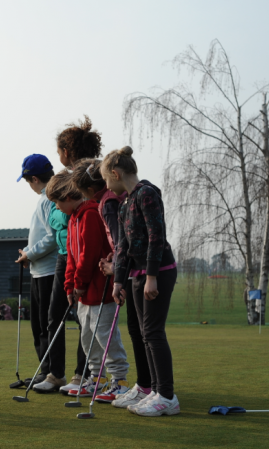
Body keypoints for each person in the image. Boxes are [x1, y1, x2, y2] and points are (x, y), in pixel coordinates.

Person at [72, 158, 152, 406]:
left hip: (125, 276)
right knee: (135, 333)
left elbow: (120, 241)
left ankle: (126, 383)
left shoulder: (106, 203)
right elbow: (120, 244)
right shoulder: (112, 200)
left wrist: (116, 267)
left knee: (139, 334)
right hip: (126, 270)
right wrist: (116, 259)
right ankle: (129, 383)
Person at [106, 146, 180, 417]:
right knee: (139, 333)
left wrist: (151, 277)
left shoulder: (147, 194)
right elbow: (123, 246)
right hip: (137, 275)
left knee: (153, 332)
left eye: (106, 180)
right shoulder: (125, 202)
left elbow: (156, 236)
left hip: (158, 272)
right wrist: (118, 282)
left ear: (115, 173)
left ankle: (167, 397)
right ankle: (148, 388)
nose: (106, 185)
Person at [47, 170, 129, 398]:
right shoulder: (74, 218)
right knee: (87, 337)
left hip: (100, 289)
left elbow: (89, 254)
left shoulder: (90, 213)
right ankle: (96, 378)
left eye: (56, 203)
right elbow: (71, 258)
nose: (56, 208)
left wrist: (80, 284)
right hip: (82, 292)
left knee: (105, 335)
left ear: (68, 196)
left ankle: (119, 379)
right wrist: (69, 287)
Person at [49, 115, 104, 396]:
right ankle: (58, 373)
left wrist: (77, 279)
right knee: (59, 315)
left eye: (58, 151)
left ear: (66, 152)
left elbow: (90, 236)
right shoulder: (64, 181)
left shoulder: (90, 178)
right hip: (68, 255)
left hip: (90, 260)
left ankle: (87, 375)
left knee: (90, 322)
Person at [15, 154, 58, 388]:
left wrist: (29, 254)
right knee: (39, 325)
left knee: (45, 325)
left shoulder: (49, 199)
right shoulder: (46, 198)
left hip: (48, 271)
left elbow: (52, 238)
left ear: (33, 179)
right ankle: (45, 370)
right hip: (38, 270)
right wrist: (28, 254)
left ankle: (50, 372)